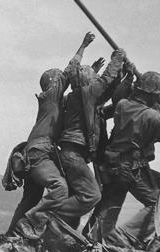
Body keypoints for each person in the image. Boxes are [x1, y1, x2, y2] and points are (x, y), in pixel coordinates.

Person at [92, 71, 160, 248]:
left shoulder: (123, 106)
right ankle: (129, 236)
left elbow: (147, 132)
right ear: (151, 94)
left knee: (110, 208)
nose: (159, 99)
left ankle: (95, 238)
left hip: (112, 165)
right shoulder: (151, 116)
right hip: (131, 168)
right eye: (157, 96)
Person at [5, 32, 95, 237]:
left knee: (30, 199)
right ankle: (31, 224)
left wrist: (89, 75)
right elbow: (70, 69)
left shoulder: (52, 102)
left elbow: (76, 85)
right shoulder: (52, 95)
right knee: (60, 188)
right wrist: (83, 46)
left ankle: (11, 236)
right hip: (39, 153)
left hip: (35, 152)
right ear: (53, 83)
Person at [53, 46, 127, 229]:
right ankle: (46, 213)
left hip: (71, 154)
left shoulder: (77, 98)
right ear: (88, 81)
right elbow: (106, 80)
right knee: (92, 195)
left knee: (76, 198)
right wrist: (117, 58)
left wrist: (124, 76)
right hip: (73, 155)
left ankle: (59, 234)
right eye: (93, 78)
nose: (96, 80)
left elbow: (108, 90)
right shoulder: (86, 94)